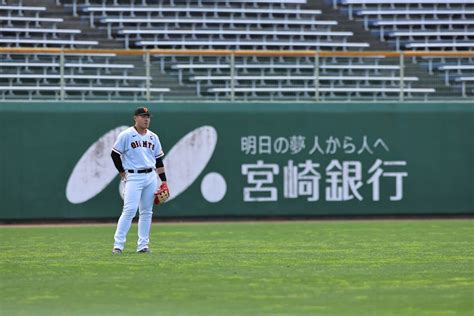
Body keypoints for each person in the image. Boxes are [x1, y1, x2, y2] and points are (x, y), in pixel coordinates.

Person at [110, 107, 168, 254]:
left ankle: (143, 246)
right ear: (135, 118)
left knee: (147, 212)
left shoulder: (153, 137)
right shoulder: (126, 135)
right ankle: (118, 245)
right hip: (133, 176)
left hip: (150, 176)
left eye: (148, 116)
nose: (146, 119)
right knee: (129, 210)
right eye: (143, 116)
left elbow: (158, 160)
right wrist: (122, 173)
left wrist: (164, 181)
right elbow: (114, 154)